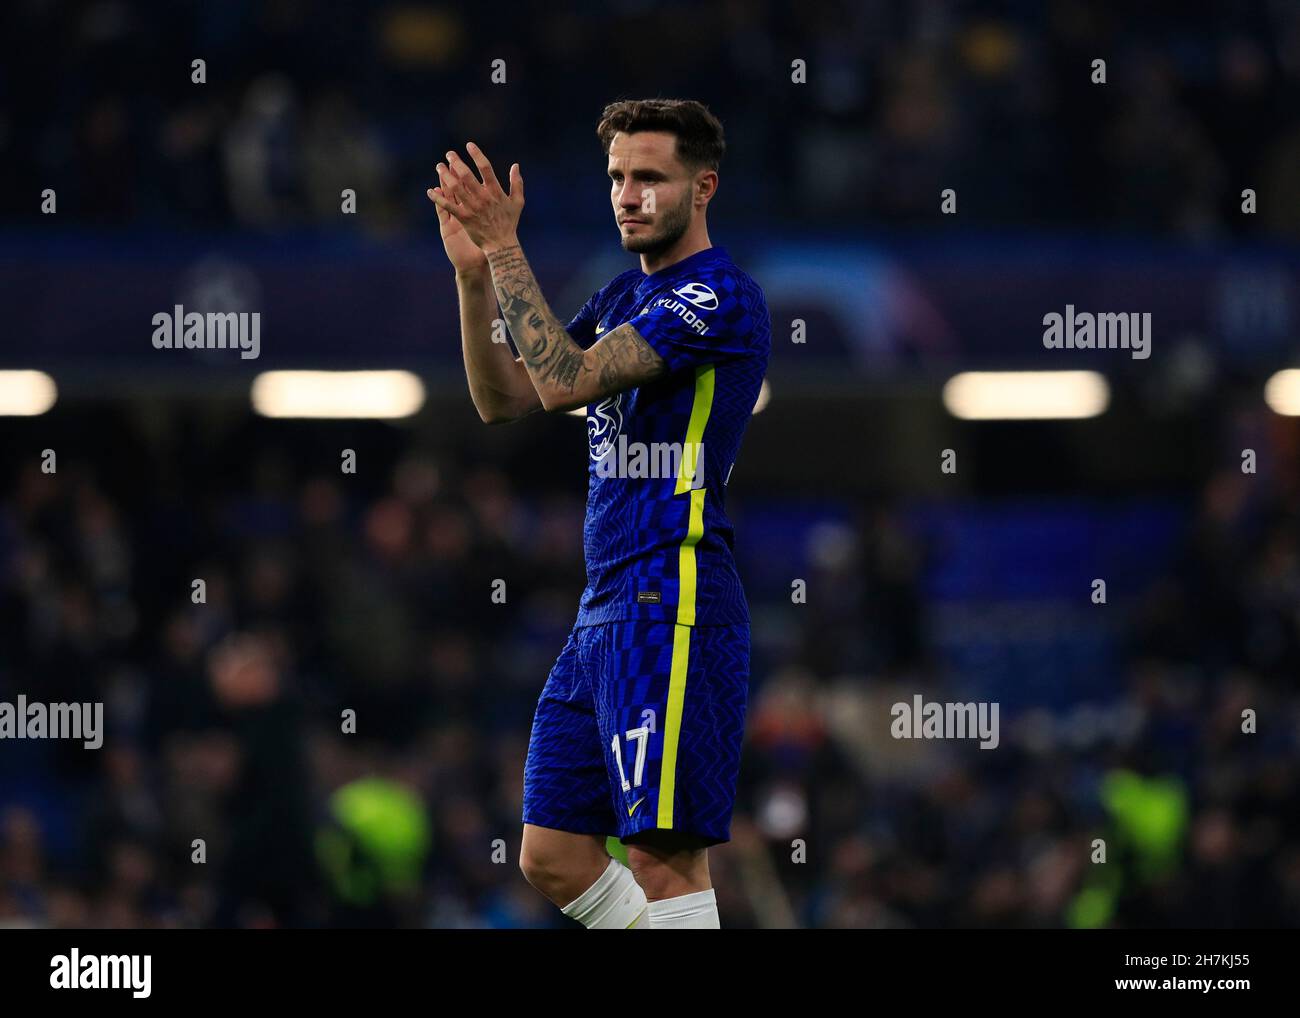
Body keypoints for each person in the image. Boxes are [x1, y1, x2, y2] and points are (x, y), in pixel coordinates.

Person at [428, 98, 770, 929]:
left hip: (673, 597)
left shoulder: (720, 296)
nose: (629, 194)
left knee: (662, 854)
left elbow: (564, 381)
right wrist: (476, 279)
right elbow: (505, 397)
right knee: (550, 852)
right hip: (604, 610)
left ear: (704, 186)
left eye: (651, 177)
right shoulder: (621, 294)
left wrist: (509, 248)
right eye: (617, 177)